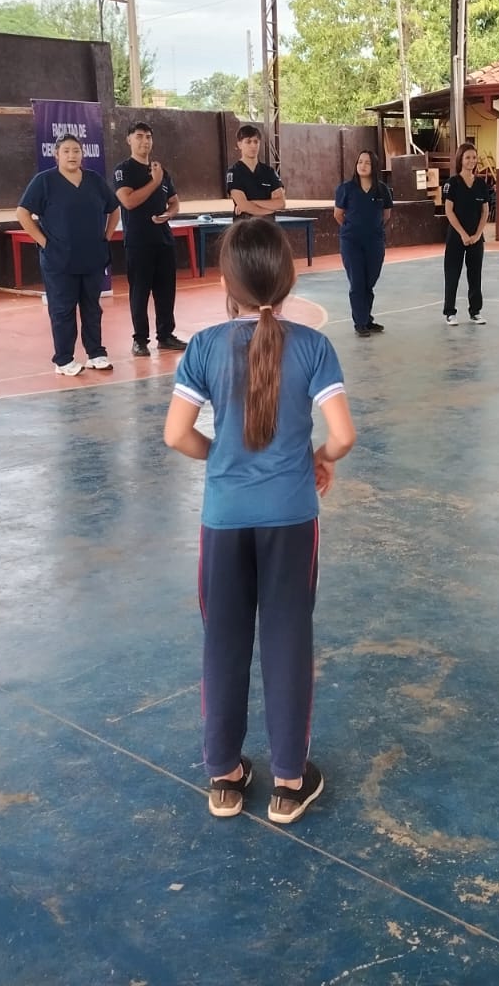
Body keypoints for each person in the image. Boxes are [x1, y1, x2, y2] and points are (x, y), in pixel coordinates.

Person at [164, 217, 355, 825]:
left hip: (224, 518)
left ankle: (224, 776)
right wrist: (320, 459)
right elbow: (343, 435)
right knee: (287, 639)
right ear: (288, 279)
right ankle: (289, 783)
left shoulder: (202, 347)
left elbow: (176, 435)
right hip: (291, 517)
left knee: (223, 640)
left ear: (227, 283)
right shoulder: (314, 347)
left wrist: (220, 457)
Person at [16, 133, 121, 375]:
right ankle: (63, 359)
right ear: (56, 155)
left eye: (76, 151)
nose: (72, 155)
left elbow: (114, 209)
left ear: (82, 154)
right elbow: (22, 213)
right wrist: (44, 242)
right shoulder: (44, 181)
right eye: (66, 151)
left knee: (92, 307)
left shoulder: (94, 180)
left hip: (92, 257)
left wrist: (106, 236)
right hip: (59, 260)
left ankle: (96, 353)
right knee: (62, 309)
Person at [114, 122, 187, 358]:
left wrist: (169, 214)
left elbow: (174, 202)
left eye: (148, 137)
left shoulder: (160, 171)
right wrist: (154, 182)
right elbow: (128, 201)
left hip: (163, 240)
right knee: (140, 292)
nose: (144, 141)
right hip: (139, 241)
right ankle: (140, 340)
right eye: (139, 136)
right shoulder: (123, 170)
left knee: (166, 291)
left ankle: (165, 335)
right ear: (129, 140)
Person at [334, 150, 393, 338]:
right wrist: (352, 228)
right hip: (351, 241)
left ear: (374, 166)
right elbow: (338, 214)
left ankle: (366, 319)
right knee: (357, 281)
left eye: (367, 162)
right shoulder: (346, 188)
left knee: (369, 281)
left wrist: (373, 229)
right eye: (360, 162)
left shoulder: (382, 189)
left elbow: (386, 215)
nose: (363, 165)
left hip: (374, 241)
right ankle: (360, 322)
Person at [442, 143, 495, 326]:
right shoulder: (452, 184)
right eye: (467, 157)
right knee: (452, 274)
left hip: (476, 238)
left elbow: (485, 211)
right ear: (460, 160)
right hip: (456, 237)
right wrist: (463, 234)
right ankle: (450, 312)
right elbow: (449, 211)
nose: (471, 161)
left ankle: (475, 311)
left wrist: (478, 234)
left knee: (475, 275)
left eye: (474, 157)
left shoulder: (481, 184)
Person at [226, 125, 286, 221]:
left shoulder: (269, 172)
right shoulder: (234, 172)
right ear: (239, 145)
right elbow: (243, 205)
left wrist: (252, 202)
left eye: (256, 141)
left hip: (268, 226)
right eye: (248, 142)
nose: (253, 145)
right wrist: (269, 210)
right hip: (244, 225)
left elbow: (280, 203)